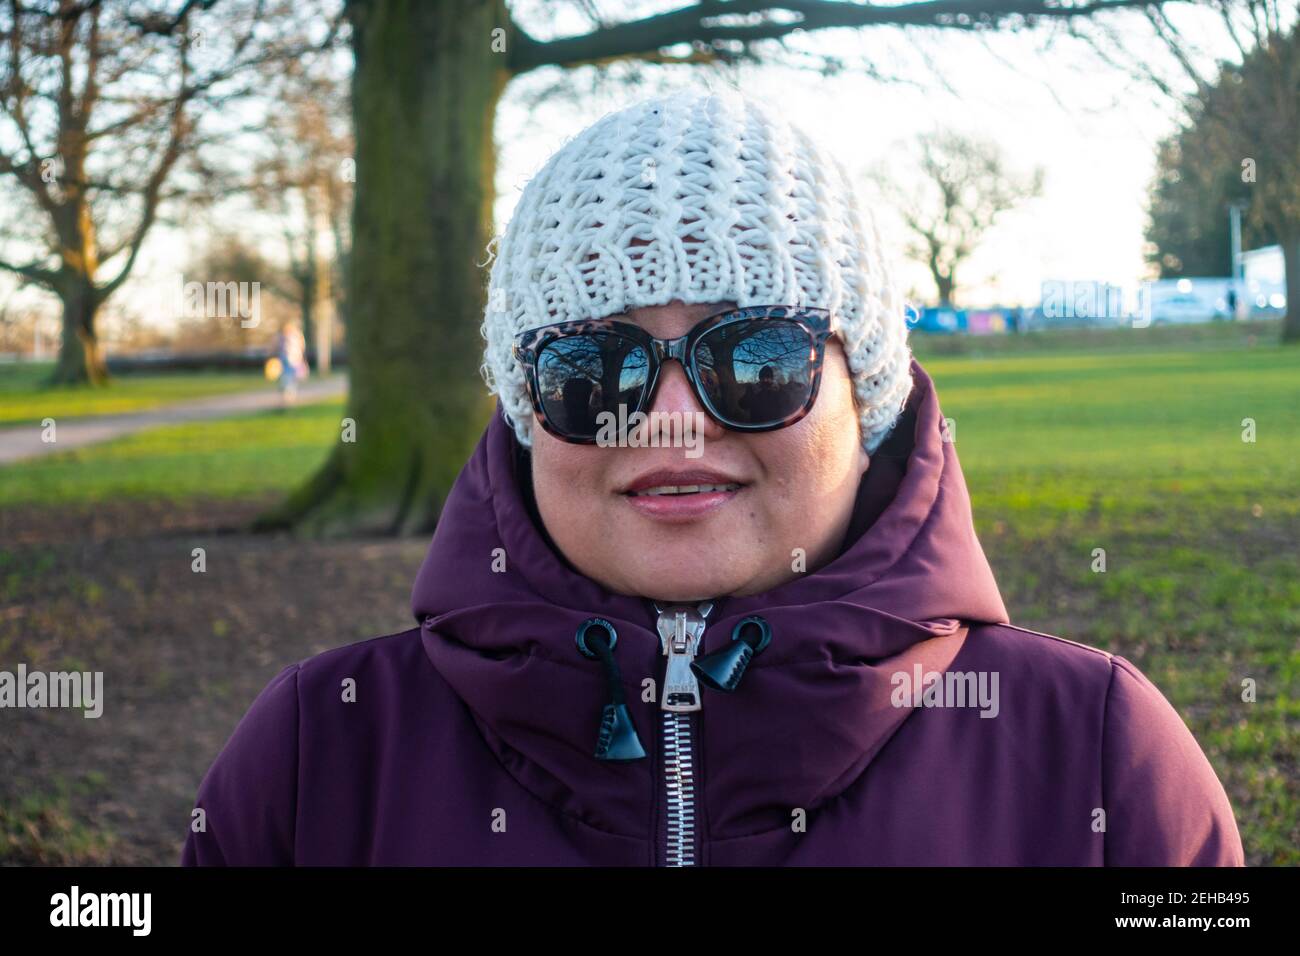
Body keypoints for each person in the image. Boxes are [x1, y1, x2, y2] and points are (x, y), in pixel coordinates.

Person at [182, 89, 1243, 866]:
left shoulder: (1098, 759)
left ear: (862, 392)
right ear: (526, 409)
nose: (672, 419)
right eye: (594, 369)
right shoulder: (320, 753)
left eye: (757, 357)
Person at [272, 321, 308, 405]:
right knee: (289, 378)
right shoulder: (296, 336)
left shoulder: (285, 337)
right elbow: (302, 347)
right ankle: (289, 395)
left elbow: (275, 346)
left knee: (288, 378)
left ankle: (288, 395)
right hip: (291, 360)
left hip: (290, 360)